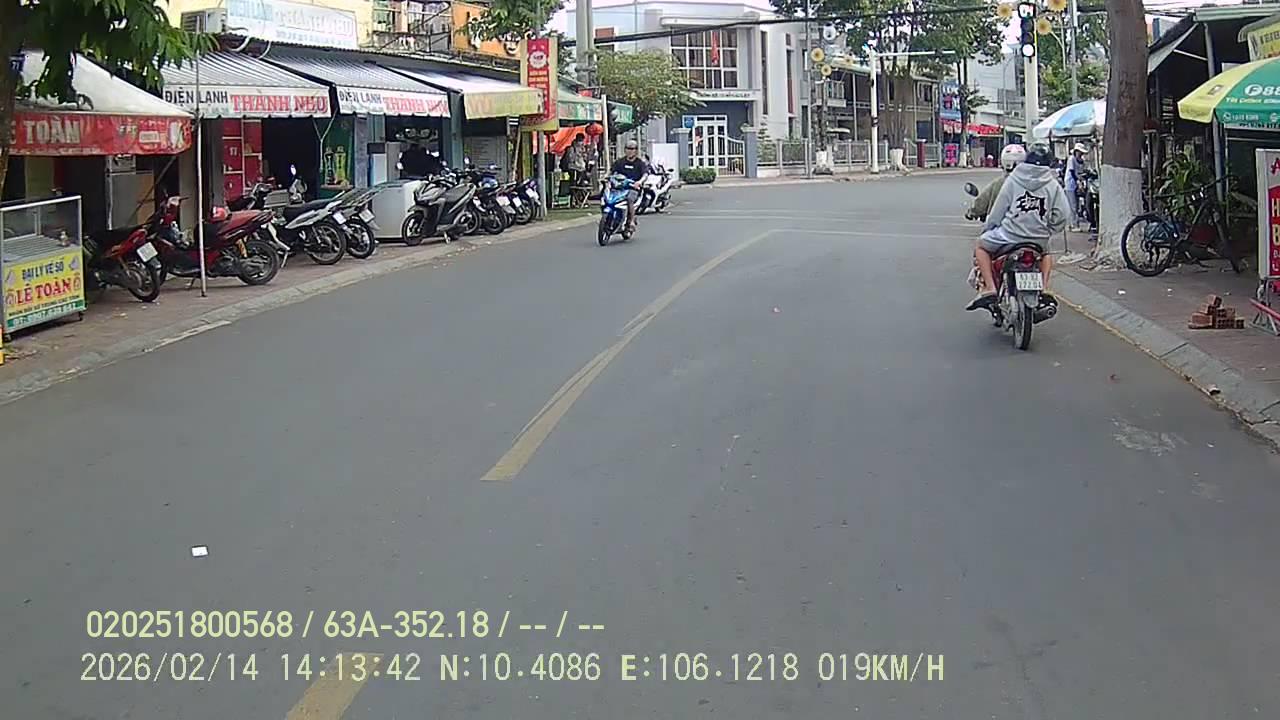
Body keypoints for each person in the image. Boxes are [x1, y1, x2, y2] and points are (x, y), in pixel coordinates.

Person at [966, 143, 1071, 311]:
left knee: (980, 246)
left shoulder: (1013, 180)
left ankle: (990, 288)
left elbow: (998, 212)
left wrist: (989, 228)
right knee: (1046, 253)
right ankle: (1044, 288)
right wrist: (1049, 230)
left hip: (1009, 236)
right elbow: (1063, 215)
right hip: (1038, 239)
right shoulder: (1053, 184)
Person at [966, 144, 1026, 221]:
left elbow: (981, 203)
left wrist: (972, 212)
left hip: (1000, 225)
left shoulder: (998, 184)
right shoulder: (1033, 183)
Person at [610, 139, 648, 232]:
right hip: (619, 187)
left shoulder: (640, 163)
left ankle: (631, 220)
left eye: (632, 149)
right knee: (607, 197)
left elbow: (645, 174)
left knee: (630, 199)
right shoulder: (620, 162)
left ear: (636, 150)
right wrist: (606, 178)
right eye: (628, 148)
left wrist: (639, 182)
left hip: (633, 188)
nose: (630, 151)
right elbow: (612, 172)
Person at [1065, 142, 1087, 231]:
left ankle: (1073, 224)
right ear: (1076, 151)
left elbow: (1081, 172)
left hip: (1078, 185)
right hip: (1070, 184)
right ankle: (1073, 225)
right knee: (1073, 205)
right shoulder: (1071, 159)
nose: (1081, 154)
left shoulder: (1082, 161)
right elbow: (1072, 172)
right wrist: (1078, 180)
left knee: (1077, 205)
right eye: (1080, 152)